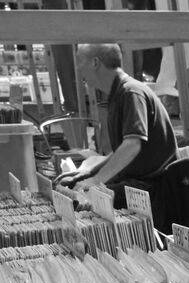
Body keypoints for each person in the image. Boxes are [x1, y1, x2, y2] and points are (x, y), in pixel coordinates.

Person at [57, 43, 178, 190]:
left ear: (95, 63)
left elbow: (132, 146)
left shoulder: (131, 92)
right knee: (72, 187)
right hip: (140, 181)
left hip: (155, 186)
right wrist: (89, 172)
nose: (78, 68)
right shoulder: (119, 93)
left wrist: (96, 181)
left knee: (86, 197)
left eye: (80, 62)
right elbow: (121, 150)